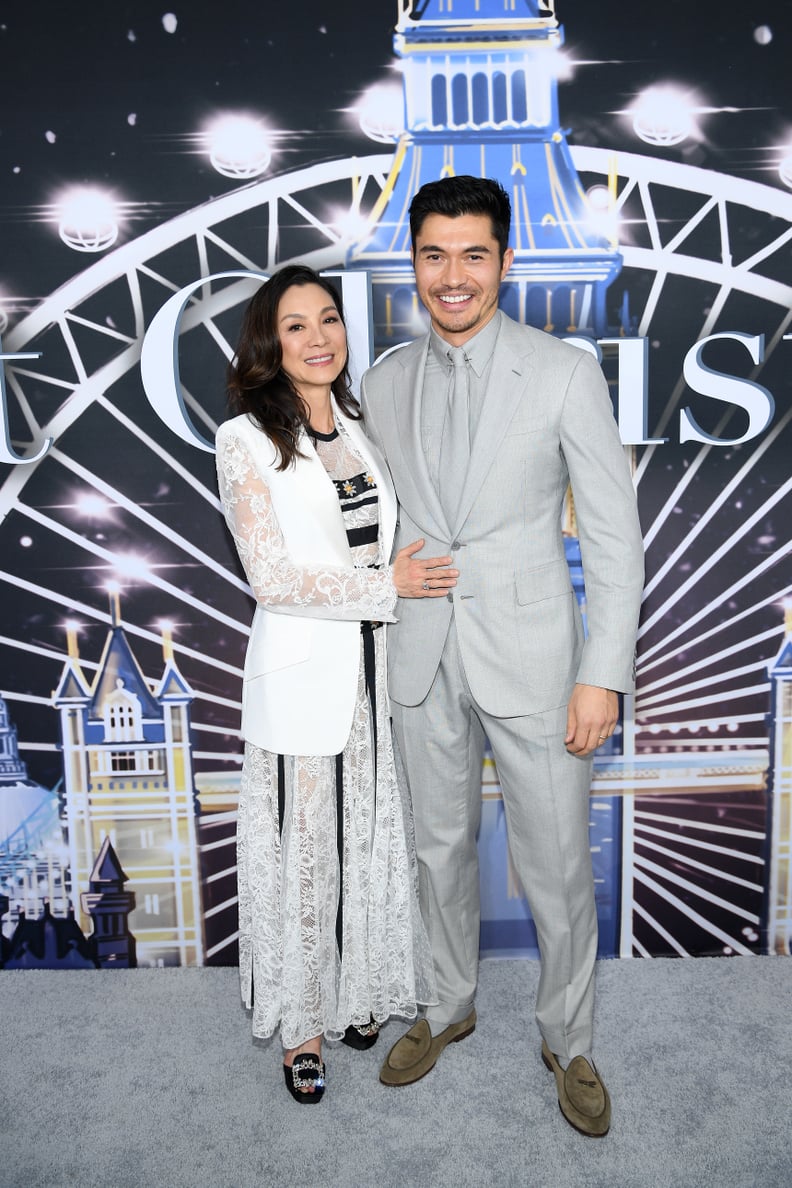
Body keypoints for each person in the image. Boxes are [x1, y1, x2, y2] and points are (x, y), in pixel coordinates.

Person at [359, 177, 644, 1137]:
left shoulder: (564, 372)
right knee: (436, 852)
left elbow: (612, 536)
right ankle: (447, 1005)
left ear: (505, 262)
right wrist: (384, 560)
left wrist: (602, 671)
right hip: (421, 653)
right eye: (434, 255)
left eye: (473, 255)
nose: (453, 276)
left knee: (557, 862)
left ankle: (570, 1038)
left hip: (537, 660)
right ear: (414, 262)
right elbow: (369, 517)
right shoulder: (384, 380)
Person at [215, 264, 452, 1104]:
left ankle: (357, 996)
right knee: (306, 854)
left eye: (328, 320)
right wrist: (390, 587)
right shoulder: (244, 439)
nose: (318, 338)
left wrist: (393, 587)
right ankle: (300, 1027)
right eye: (295, 326)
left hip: (375, 676)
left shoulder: (359, 422)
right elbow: (272, 578)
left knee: (369, 839)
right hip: (304, 675)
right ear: (268, 344)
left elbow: (381, 534)